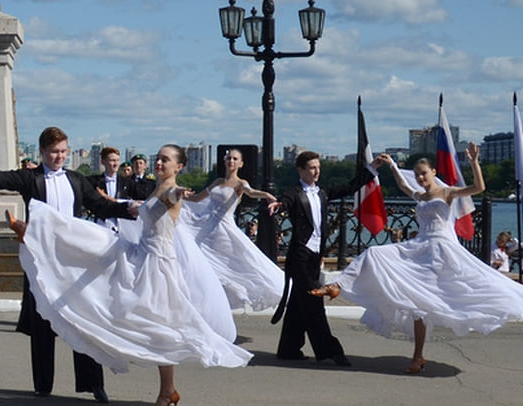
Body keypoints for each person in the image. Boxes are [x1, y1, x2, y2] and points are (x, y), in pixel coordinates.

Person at [6, 145, 251, 406]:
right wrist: (110, 200)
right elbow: (139, 209)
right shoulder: (153, 190)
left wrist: (177, 192)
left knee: (158, 324)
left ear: (179, 167)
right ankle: (167, 389)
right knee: (141, 308)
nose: (158, 163)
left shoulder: (169, 191)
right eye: (157, 158)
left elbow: (172, 197)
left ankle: (165, 389)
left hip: (157, 266)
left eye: (165, 160)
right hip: (141, 255)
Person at [0, 126, 137, 402]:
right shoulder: (31, 178)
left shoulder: (77, 180)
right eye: (54, 152)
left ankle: (93, 383)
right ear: (43, 152)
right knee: (43, 321)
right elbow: (1, 179)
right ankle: (43, 384)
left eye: (64, 151)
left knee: (83, 319)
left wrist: (127, 208)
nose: (60, 156)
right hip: (41, 259)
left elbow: (101, 206)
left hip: (72, 261)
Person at [312, 145, 523, 373]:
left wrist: (474, 162)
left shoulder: (447, 192)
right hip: (420, 247)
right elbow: (403, 184)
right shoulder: (420, 195)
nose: (420, 178)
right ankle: (337, 286)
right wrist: (393, 166)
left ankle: (417, 356)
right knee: (376, 256)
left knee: (437, 299)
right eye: (418, 174)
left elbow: (479, 187)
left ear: (433, 172)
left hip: (440, 250)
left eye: (424, 173)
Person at [273, 149, 378, 366]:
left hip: (313, 255)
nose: (316, 171)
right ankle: (330, 350)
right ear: (300, 170)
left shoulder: (322, 192)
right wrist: (278, 206)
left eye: (318, 167)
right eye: (311, 168)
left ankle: (289, 349)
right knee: (313, 300)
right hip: (299, 256)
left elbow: (349, 187)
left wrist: (372, 169)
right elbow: (285, 202)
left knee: (298, 302)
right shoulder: (294, 193)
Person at [183, 147, 283, 311]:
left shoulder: (240, 184)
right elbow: (196, 199)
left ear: (241, 164)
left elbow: (251, 193)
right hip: (205, 227)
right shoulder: (218, 182)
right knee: (202, 263)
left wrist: (267, 195)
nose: (231, 161)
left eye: (235, 159)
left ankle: (227, 302)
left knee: (230, 265)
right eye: (229, 158)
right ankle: (208, 304)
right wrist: (182, 194)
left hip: (224, 230)